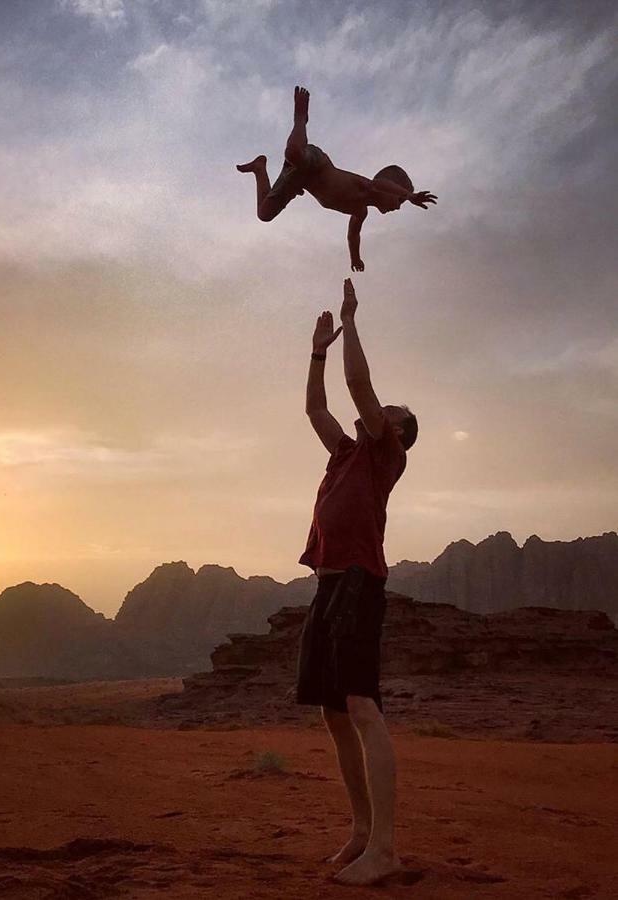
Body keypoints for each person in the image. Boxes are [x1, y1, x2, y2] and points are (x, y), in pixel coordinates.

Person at [296, 278, 417, 885]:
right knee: (333, 712)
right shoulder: (344, 452)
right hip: (327, 583)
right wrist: (316, 350)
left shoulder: (385, 452)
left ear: (395, 429)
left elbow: (358, 386)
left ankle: (387, 849)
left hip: (360, 582)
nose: (378, 409)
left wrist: (350, 319)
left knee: (363, 707)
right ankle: (363, 832)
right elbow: (317, 409)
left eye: (388, 412)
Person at [237, 86, 437, 272]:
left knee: (264, 214)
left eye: (402, 201)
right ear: (390, 188)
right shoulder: (367, 187)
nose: (399, 206)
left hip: (301, 180)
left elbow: (353, 235)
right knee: (293, 153)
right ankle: (300, 118)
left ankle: (259, 168)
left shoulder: (360, 211)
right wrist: (409, 195)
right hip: (316, 163)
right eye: (399, 200)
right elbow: (379, 184)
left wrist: (355, 258)